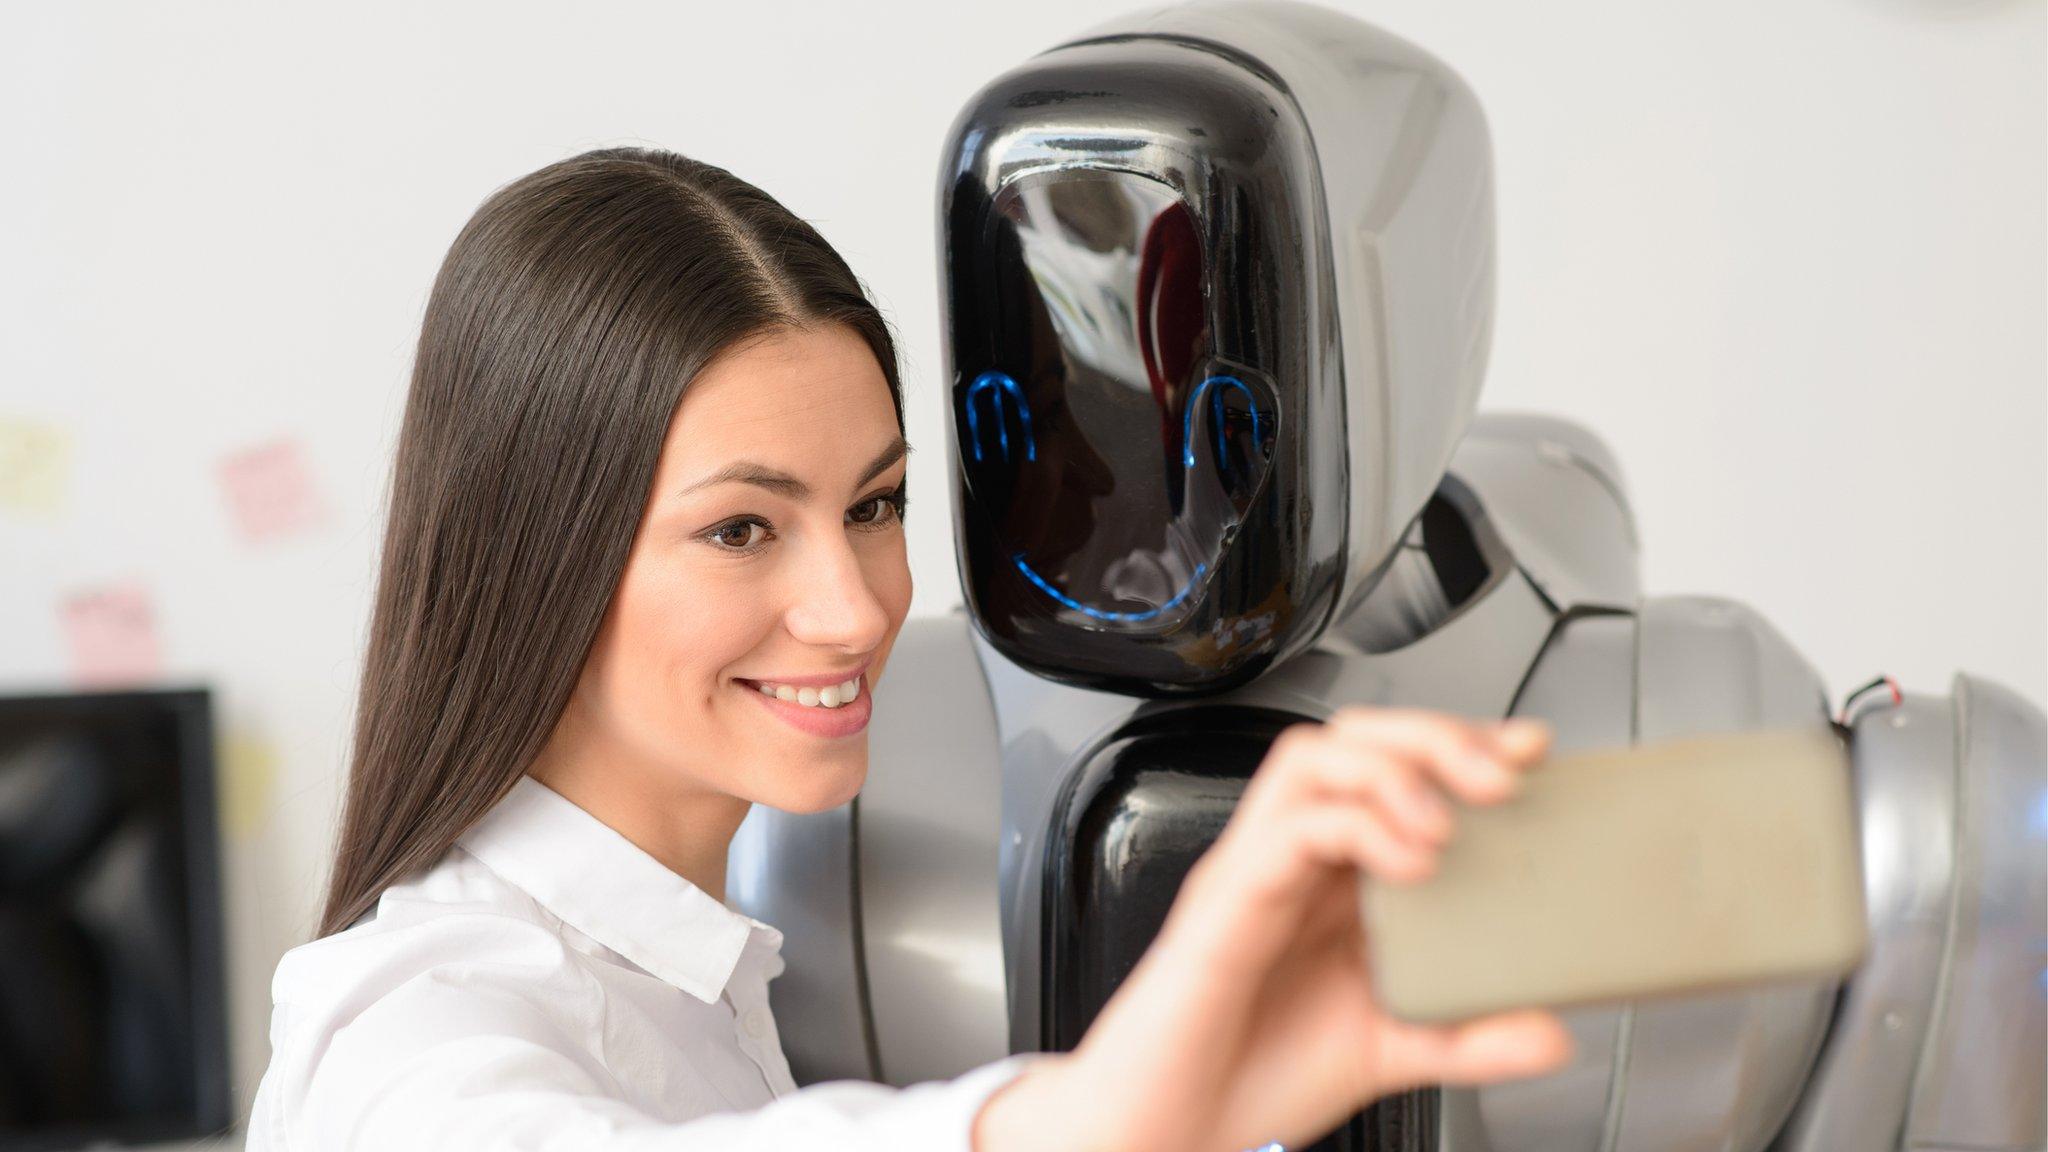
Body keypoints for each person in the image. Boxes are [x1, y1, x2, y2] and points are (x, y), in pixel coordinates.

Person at [243, 146, 1573, 1152]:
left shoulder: (709, 970)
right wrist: (1094, 1110)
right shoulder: (408, 1030)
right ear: (536, 555)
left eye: (874, 507)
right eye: (743, 529)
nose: (856, 607)